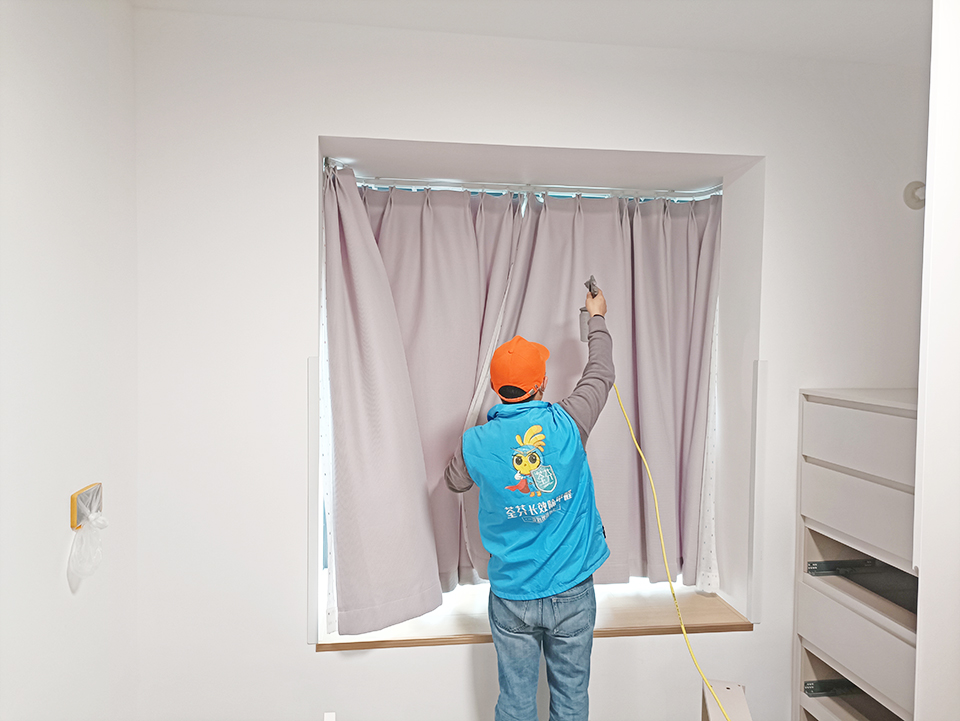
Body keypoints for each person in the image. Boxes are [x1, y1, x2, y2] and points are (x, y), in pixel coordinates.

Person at [444, 288, 614, 721]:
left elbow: (454, 482)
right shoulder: (570, 422)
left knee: (516, 705)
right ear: (540, 385)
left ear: (496, 389)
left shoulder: (475, 443)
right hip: (573, 590)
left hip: (512, 597)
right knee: (571, 701)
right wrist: (596, 318)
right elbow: (601, 372)